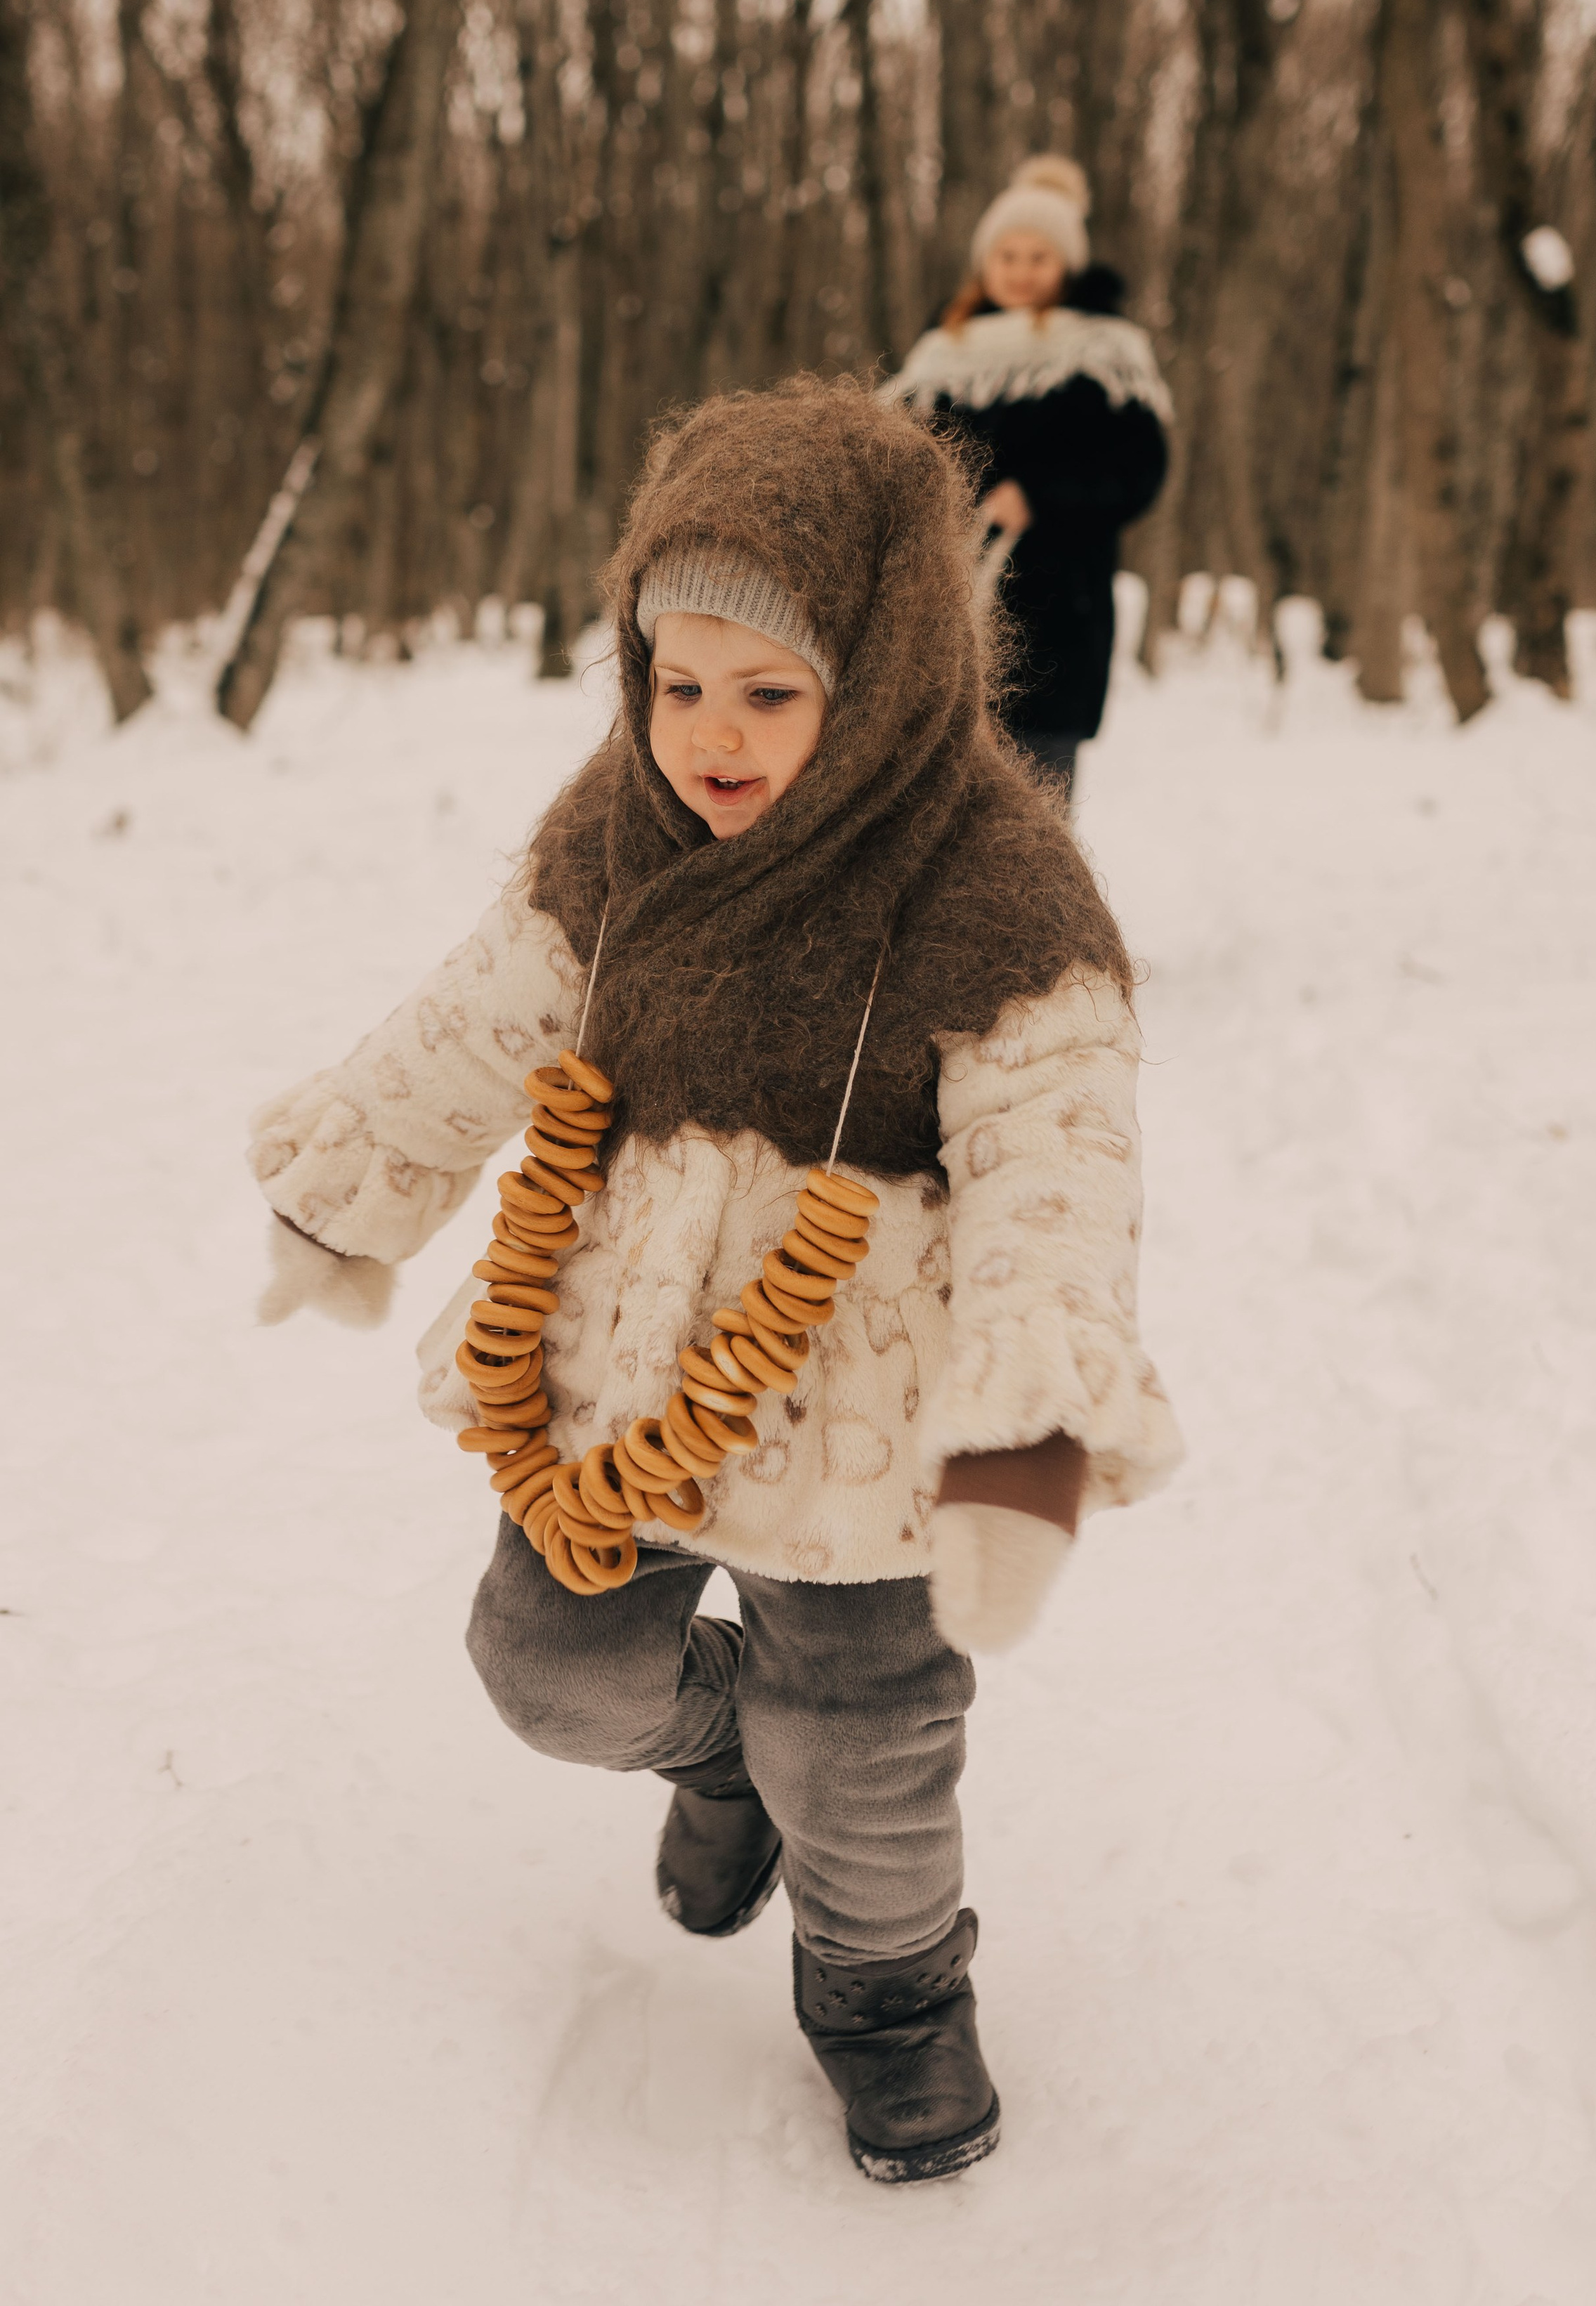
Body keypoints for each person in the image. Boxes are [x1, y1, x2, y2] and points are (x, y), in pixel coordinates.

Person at [249, 378, 1180, 2187]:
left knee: (866, 1742)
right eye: (675, 685)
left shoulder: (997, 885)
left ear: (881, 672)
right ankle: (718, 1753)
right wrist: (349, 1191)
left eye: (767, 690)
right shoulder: (614, 832)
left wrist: (1025, 1429)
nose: (708, 736)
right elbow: (477, 1016)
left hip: (858, 1395)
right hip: (624, 1357)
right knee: (545, 1666)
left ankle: (887, 1990)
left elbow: (1057, 1167)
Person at [885, 155, 1172, 806]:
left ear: (1067, 264)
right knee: (933, 804)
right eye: (1007, 254)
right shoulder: (942, 353)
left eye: (1039, 256)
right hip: (944, 609)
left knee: (1034, 808)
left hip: (1057, 616)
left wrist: (1042, 496)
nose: (1020, 270)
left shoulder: (1104, 353)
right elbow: (902, 456)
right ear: (984, 262)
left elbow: (1139, 470)